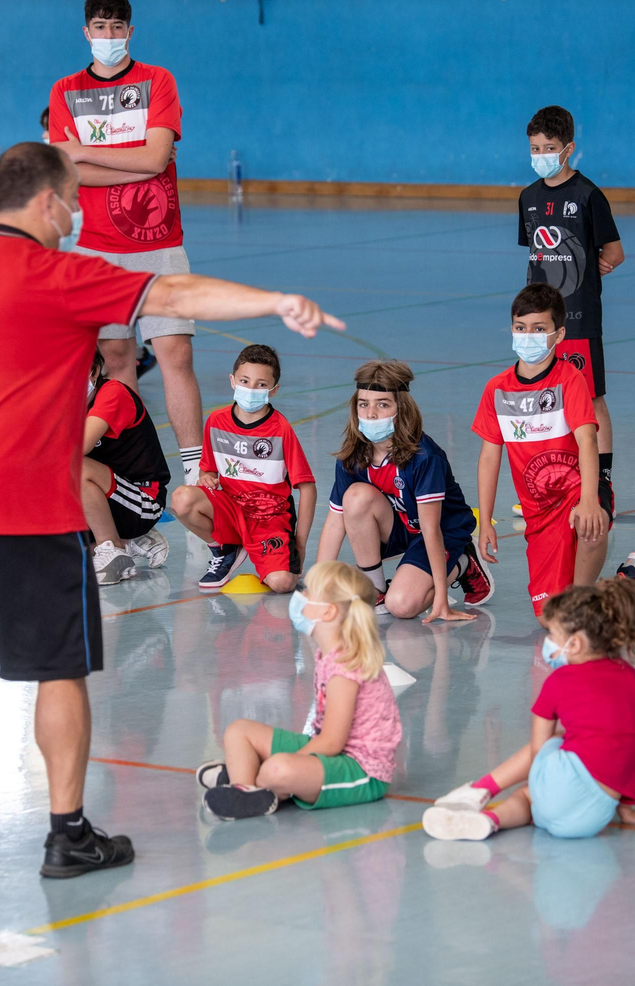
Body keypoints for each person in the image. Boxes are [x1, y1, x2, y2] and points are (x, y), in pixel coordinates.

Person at [0, 141, 344, 878]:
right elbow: (174, 297)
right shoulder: (59, 273)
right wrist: (274, 301)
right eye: (72, 201)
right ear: (49, 202)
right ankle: (67, 832)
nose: (78, 214)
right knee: (61, 672)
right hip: (32, 508)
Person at [50, 0, 204, 485]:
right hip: (96, 251)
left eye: (118, 27)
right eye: (100, 27)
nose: (109, 36)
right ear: (85, 32)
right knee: (116, 363)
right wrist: (140, 165)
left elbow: (156, 157)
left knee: (175, 357)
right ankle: (138, 473)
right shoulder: (65, 89)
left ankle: (196, 473)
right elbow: (70, 172)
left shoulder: (158, 80)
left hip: (160, 245)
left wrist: (91, 155)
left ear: (130, 32)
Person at [474, 284, 635, 617]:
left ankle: (587, 596)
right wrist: (485, 522)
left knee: (577, 598)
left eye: (539, 329)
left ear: (559, 335)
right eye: (521, 328)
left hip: (577, 491)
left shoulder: (569, 379)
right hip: (538, 514)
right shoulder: (496, 389)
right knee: (548, 619)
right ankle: (628, 580)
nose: (528, 336)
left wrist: (589, 500)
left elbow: (587, 440)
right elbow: (488, 457)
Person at [423, 578, 635, 842]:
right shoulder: (632, 679)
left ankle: (485, 801)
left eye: (552, 634)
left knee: (534, 781)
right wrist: (626, 809)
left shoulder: (559, 682)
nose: (548, 640)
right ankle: (486, 820)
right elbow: (630, 747)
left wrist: (545, 785)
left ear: (574, 645)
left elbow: (539, 752)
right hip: (594, 816)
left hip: (553, 798)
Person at [195, 561, 401, 819]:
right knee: (239, 731)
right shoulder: (327, 654)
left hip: (361, 771)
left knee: (277, 770)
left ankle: (254, 777)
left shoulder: (346, 668)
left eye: (308, 593)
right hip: (329, 751)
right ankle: (245, 787)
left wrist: (280, 761)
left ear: (328, 612)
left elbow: (332, 742)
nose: (299, 597)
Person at [316, 360, 491, 621]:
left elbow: (431, 529)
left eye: (383, 404)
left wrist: (440, 600)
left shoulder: (424, 457)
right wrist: (317, 587)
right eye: (364, 404)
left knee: (403, 606)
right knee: (355, 496)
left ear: (402, 409)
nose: (371, 413)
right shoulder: (352, 455)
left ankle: (464, 562)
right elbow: (335, 522)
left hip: (442, 532)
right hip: (401, 526)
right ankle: (375, 587)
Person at [520, 105, 624, 531]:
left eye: (549, 147)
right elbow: (535, 253)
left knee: (589, 399)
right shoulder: (528, 197)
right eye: (534, 148)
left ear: (568, 150)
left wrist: (588, 269)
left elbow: (614, 252)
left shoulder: (588, 196)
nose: (541, 154)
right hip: (538, 319)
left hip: (579, 319)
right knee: (548, 398)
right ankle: (558, 480)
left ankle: (600, 482)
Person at [169, 344, 315, 593]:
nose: (251, 389)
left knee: (282, 584)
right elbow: (208, 471)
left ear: (273, 390)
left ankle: (265, 553)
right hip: (231, 508)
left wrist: (300, 544)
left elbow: (307, 488)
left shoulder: (281, 429)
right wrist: (206, 478)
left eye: (260, 384)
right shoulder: (216, 421)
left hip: (269, 519)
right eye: (245, 381)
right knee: (182, 499)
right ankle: (224, 549)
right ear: (232, 381)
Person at [83, 349, 170, 584]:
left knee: (75, 468)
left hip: (142, 501)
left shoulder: (113, 393)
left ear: (94, 371)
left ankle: (111, 549)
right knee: (47, 550)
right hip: (106, 502)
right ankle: (132, 542)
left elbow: (77, 447)